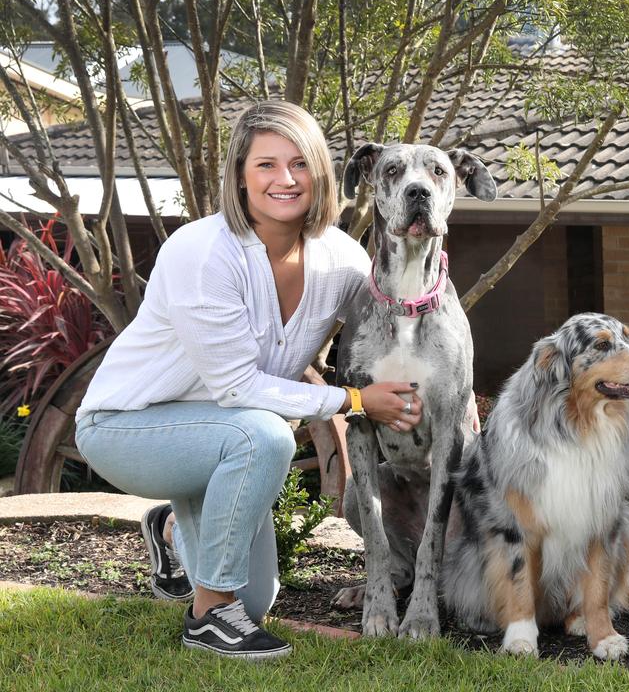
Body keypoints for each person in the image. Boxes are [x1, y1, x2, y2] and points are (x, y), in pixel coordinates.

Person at [74, 101, 423, 660]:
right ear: (240, 175)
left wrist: (449, 385)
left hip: (221, 438)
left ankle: (171, 531)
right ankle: (208, 616)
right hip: (126, 428)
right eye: (265, 165)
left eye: (299, 164)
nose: (285, 180)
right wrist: (356, 401)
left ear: (320, 174)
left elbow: (395, 320)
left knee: (256, 599)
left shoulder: (341, 258)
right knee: (263, 435)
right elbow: (237, 388)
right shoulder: (201, 251)